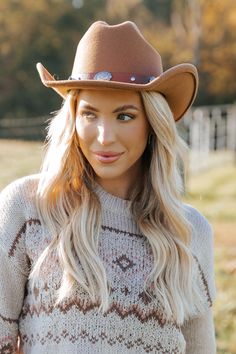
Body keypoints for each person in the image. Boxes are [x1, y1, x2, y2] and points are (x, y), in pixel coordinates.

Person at [0, 21, 216, 354]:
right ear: (72, 119)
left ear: (152, 123)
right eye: (89, 114)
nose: (104, 136)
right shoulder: (26, 208)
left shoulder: (189, 232)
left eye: (125, 116)